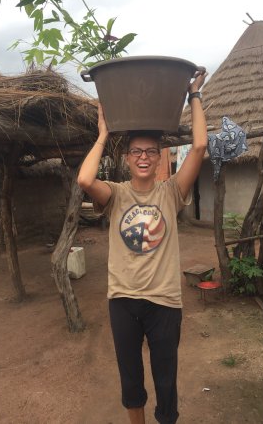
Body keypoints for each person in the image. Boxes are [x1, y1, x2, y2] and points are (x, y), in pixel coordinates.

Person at [77, 71, 208, 424]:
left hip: (165, 302)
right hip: (123, 301)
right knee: (131, 381)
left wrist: (194, 94)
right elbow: (85, 180)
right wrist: (104, 134)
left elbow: (199, 147)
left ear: (160, 157)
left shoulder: (172, 192)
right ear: (128, 158)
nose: (144, 157)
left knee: (166, 382)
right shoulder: (116, 193)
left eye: (152, 151)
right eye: (137, 151)